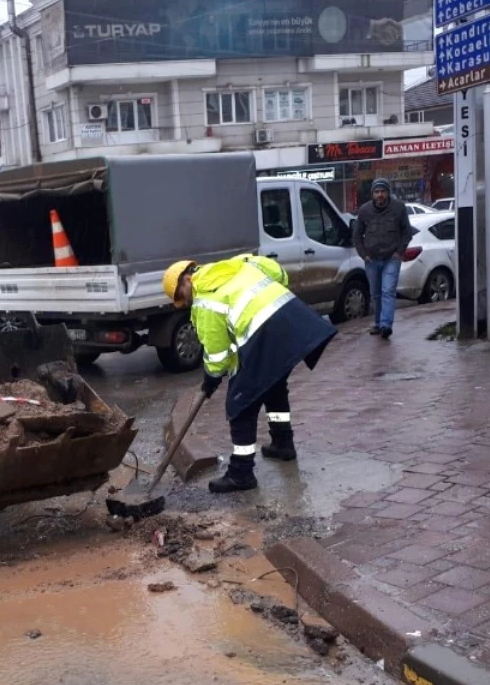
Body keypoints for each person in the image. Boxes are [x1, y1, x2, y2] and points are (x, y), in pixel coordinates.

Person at [163, 255, 337, 494]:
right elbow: (278, 272)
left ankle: (241, 473)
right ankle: (282, 443)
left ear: (185, 281)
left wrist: (211, 378)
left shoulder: (206, 300)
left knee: (241, 404)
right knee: (274, 386)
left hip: (266, 334)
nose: (185, 302)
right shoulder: (235, 266)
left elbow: (217, 351)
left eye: (181, 297)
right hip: (291, 322)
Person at [354, 178, 414, 339]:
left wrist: (399, 252)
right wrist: (363, 254)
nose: (380, 195)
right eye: (377, 192)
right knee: (375, 293)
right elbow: (357, 235)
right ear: (372, 194)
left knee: (387, 291)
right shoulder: (364, 211)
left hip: (391, 258)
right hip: (371, 260)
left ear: (388, 192)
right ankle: (378, 323)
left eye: (383, 191)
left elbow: (407, 232)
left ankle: (386, 325)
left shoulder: (399, 208)